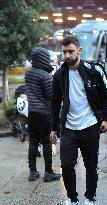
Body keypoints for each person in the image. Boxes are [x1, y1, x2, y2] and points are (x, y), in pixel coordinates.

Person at [50, 35, 107, 205]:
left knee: (91, 166)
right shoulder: (60, 75)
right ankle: (72, 198)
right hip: (69, 128)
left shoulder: (94, 69)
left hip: (90, 126)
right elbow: (54, 103)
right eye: (64, 52)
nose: (67, 55)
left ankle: (90, 197)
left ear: (79, 50)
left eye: (70, 51)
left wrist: (106, 119)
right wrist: (53, 128)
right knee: (67, 166)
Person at [25, 47, 61, 182]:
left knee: (33, 142)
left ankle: (32, 172)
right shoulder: (45, 76)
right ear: (43, 59)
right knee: (46, 142)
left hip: (32, 112)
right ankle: (48, 172)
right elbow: (50, 96)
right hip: (44, 113)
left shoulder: (29, 74)